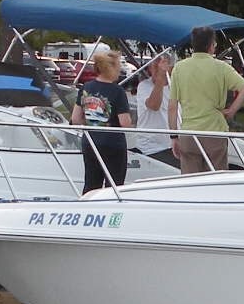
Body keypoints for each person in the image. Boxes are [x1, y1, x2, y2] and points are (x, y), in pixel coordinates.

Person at [169, 26, 244, 173]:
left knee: (190, 182)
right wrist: (231, 111)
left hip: (189, 134)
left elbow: (172, 107)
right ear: (211, 45)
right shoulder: (221, 67)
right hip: (214, 132)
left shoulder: (179, 68)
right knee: (215, 182)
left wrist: (174, 136)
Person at [72, 48, 133, 194]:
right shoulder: (117, 91)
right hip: (113, 143)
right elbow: (125, 122)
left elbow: (75, 118)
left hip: (90, 142)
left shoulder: (86, 87)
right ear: (112, 68)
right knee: (114, 185)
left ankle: (88, 210)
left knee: (91, 184)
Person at [129, 51, 175, 165]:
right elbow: (154, 105)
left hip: (173, 144)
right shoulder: (144, 86)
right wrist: (160, 78)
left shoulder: (175, 86)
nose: (155, 70)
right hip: (151, 147)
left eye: (159, 67)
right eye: (153, 67)